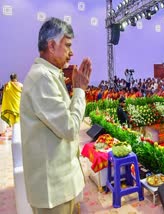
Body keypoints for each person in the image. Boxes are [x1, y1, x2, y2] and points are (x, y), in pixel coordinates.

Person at [20, 17, 92, 213]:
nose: (72, 52)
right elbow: (69, 128)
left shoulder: (49, 74)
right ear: (51, 45)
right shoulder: (42, 77)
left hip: (62, 185)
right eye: (67, 45)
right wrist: (79, 91)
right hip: (52, 190)